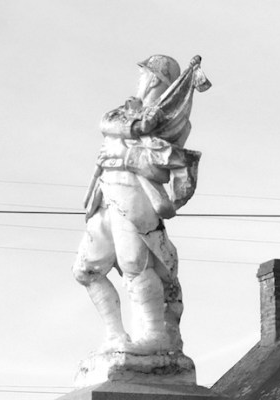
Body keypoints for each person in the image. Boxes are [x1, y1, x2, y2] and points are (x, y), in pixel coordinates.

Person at [74, 55, 210, 356]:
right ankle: (116, 337)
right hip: (105, 192)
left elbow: (164, 166)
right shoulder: (125, 112)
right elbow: (107, 123)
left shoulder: (173, 120)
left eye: (144, 73)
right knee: (86, 269)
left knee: (135, 264)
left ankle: (154, 335)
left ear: (154, 78)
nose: (140, 78)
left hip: (134, 192)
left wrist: (131, 154)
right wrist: (138, 126)